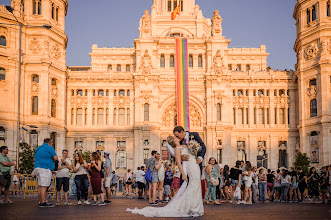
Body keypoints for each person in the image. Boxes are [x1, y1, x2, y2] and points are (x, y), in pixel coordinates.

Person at [127, 136, 204, 217]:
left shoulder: (184, 146)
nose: (179, 137)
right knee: (193, 185)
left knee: (196, 186)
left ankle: (195, 206)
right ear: (174, 140)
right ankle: (193, 207)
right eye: (176, 137)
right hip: (191, 168)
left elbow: (191, 154)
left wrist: (195, 149)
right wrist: (183, 174)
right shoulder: (177, 150)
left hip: (195, 166)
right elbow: (179, 163)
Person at [34, 138, 58, 208]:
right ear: (49, 142)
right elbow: (56, 158)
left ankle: (40, 201)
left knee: (41, 185)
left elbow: (35, 159)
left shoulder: (38, 148)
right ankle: (43, 202)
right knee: (44, 186)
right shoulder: (49, 147)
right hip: (45, 168)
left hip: (37, 167)